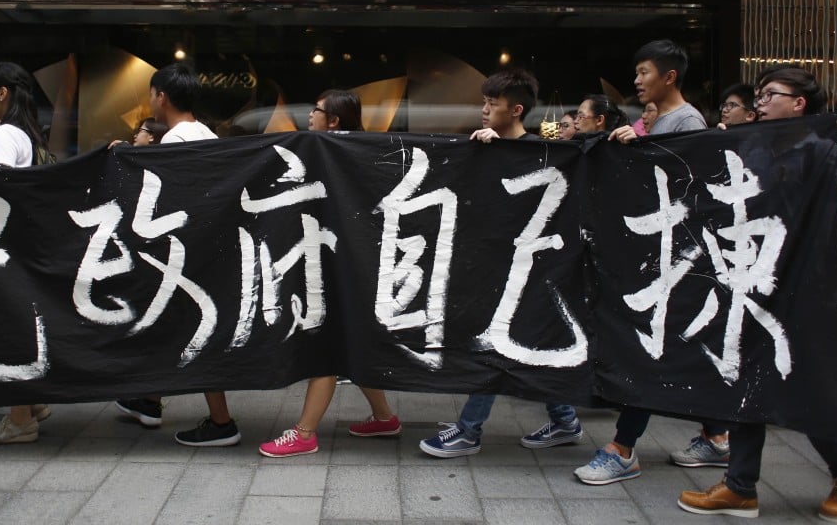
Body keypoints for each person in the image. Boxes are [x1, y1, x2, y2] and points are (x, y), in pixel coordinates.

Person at [678, 66, 837, 521]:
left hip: (805, 291)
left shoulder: (822, 150)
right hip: (754, 284)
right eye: (760, 96)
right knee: (747, 381)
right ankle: (740, 485)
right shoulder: (753, 146)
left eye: (771, 95)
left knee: (805, 387)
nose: (761, 102)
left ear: (799, 103)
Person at [575, 41, 724, 484]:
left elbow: (681, 185)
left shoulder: (687, 120)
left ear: (669, 76)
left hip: (674, 258)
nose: (637, 81)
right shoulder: (657, 118)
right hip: (657, 255)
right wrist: (635, 138)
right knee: (675, 346)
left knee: (650, 347)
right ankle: (718, 437)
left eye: (643, 72)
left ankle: (623, 447)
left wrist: (640, 145)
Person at [419, 68, 583, 458]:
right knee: (520, 346)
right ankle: (564, 420)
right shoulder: (487, 145)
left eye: (493, 104)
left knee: (494, 347)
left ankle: (469, 430)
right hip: (498, 268)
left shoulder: (540, 152)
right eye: (484, 102)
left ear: (517, 110)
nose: (484, 110)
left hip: (531, 271)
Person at [258, 89, 402, 458]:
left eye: (316, 110)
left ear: (334, 120)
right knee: (347, 342)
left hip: (340, 265)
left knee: (327, 344)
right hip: (346, 262)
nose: (309, 116)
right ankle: (384, 417)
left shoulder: (333, 152)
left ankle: (305, 432)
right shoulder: (355, 152)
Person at [112, 63, 239, 447]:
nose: (150, 100)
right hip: (205, 249)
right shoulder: (204, 133)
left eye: (151, 93)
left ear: (161, 96)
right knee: (172, 326)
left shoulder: (175, 141)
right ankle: (149, 400)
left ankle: (221, 422)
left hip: (185, 254)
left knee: (194, 331)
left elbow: (163, 200)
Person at [0, 61, 53, 444]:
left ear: (3, 93)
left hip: (4, 247)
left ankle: (20, 419)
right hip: (22, 245)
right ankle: (31, 404)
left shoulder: (5, 135)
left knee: (11, 329)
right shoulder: (28, 135)